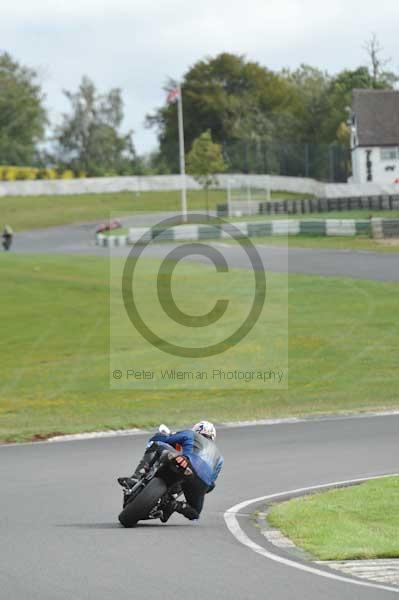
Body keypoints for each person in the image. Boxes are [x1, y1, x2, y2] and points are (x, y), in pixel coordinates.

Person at [118, 421, 224, 523]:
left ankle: (137, 476)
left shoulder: (190, 434)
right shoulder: (220, 458)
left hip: (185, 463)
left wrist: (161, 435)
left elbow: (166, 439)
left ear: (196, 430)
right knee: (195, 513)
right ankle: (175, 505)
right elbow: (211, 485)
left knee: (157, 443)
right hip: (202, 483)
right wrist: (198, 490)